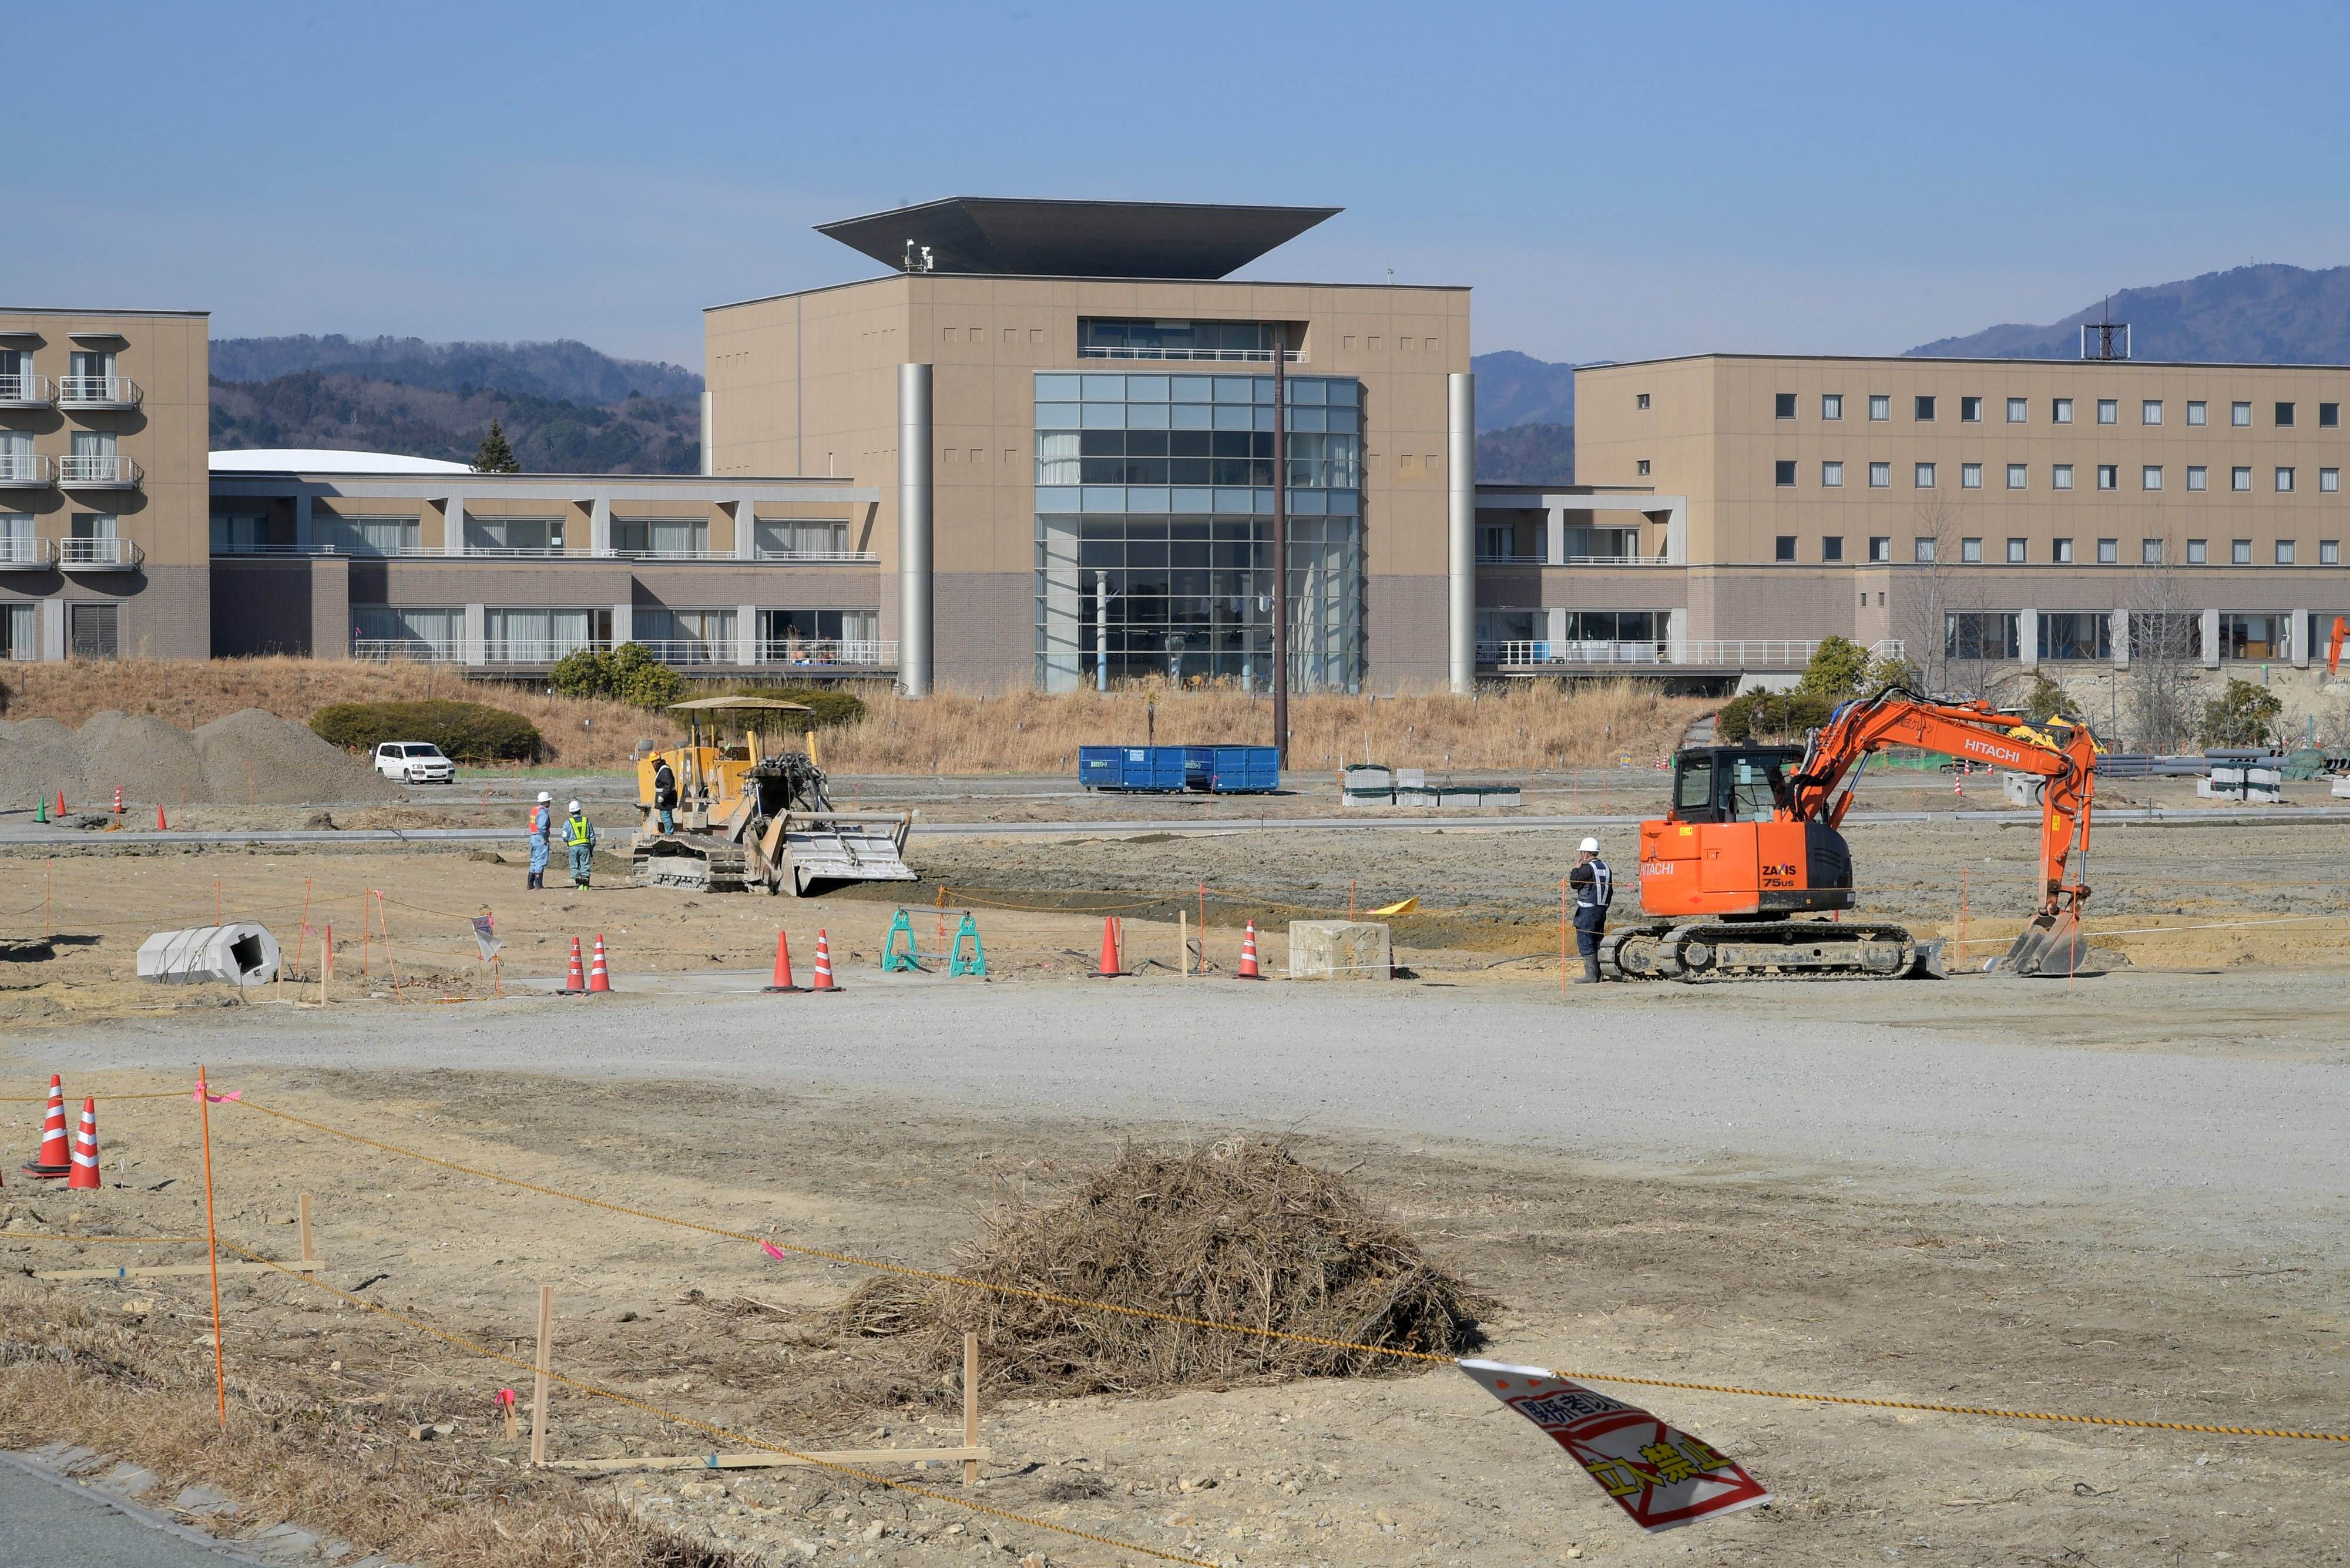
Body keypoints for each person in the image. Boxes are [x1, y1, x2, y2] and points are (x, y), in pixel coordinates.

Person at [1568, 835, 1612, 985]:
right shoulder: (1606, 868)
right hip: (1602, 910)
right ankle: (1599, 974)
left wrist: (1576, 869)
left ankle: (1591, 975)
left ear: (1586, 854)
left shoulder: (1587, 869)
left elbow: (1574, 883)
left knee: (1585, 940)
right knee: (1598, 939)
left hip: (1588, 911)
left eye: (1582, 853)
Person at [564, 799, 597, 890]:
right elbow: (592, 837)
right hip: (585, 848)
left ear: (571, 811)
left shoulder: (568, 822)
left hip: (573, 848)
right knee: (585, 866)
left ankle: (580, 885)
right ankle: (586, 886)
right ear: (580, 810)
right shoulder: (586, 821)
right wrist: (591, 848)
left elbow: (565, 837)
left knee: (575, 866)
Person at [525, 790, 553, 891]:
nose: (550, 803)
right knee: (541, 860)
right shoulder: (543, 813)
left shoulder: (535, 810)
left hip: (533, 837)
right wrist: (545, 837)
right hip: (540, 838)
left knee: (534, 860)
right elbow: (542, 827)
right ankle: (538, 885)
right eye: (549, 801)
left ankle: (530, 884)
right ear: (546, 802)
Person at [651, 754, 677, 835]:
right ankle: (669, 832)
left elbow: (669, 784)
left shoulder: (665, 771)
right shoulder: (662, 770)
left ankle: (669, 834)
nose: (652, 764)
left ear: (657, 762)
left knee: (665, 816)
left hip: (667, 799)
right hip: (668, 799)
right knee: (666, 815)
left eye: (653, 762)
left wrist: (663, 796)